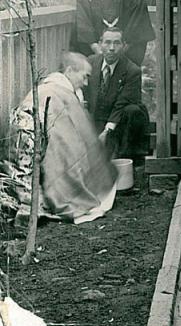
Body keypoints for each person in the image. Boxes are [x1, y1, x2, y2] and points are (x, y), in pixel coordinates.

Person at [0, 52, 117, 224]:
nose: (85, 83)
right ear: (70, 70)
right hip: (29, 150)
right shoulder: (57, 92)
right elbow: (64, 143)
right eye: (84, 76)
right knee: (70, 154)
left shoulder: (46, 87)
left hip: (21, 153)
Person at [85, 27, 150, 160]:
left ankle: (129, 161)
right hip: (96, 119)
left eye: (117, 43)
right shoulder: (90, 62)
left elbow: (122, 103)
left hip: (119, 123)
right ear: (100, 44)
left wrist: (107, 131)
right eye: (107, 42)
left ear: (124, 46)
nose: (112, 48)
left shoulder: (132, 70)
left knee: (133, 110)